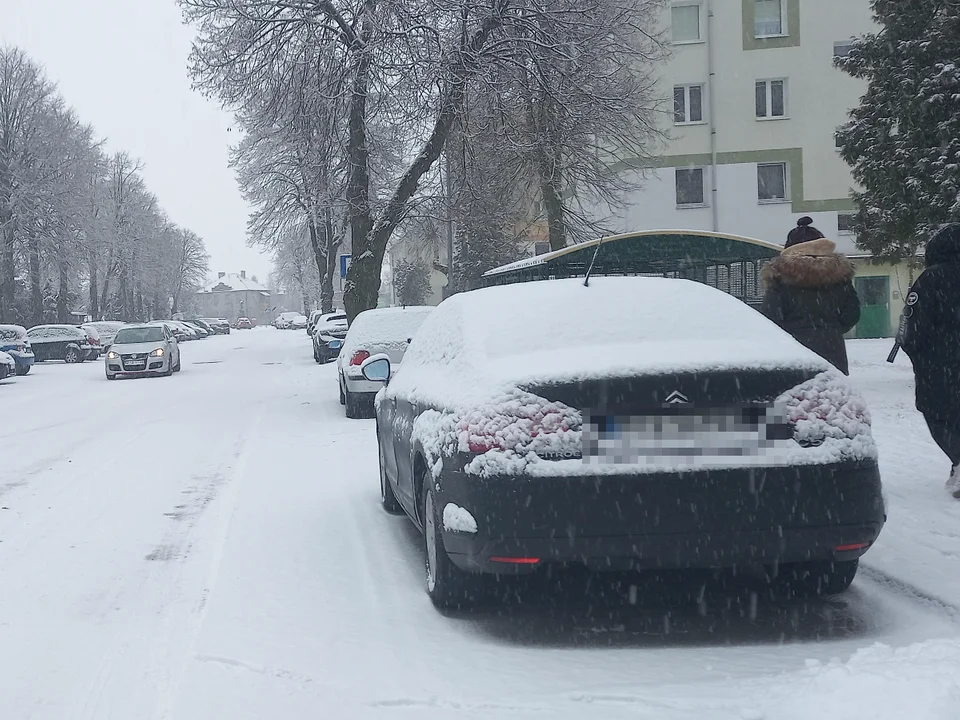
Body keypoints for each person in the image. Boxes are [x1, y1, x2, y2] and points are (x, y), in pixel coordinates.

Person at [900, 223, 960, 498]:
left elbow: (911, 328)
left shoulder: (931, 279)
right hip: (943, 360)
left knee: (938, 415)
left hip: (941, 364)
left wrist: (920, 357)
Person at [761, 217, 861, 374]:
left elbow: (770, 317)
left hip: (794, 352)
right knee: (832, 395)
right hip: (833, 349)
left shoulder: (780, 278)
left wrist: (792, 332)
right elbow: (852, 313)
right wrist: (830, 329)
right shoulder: (839, 277)